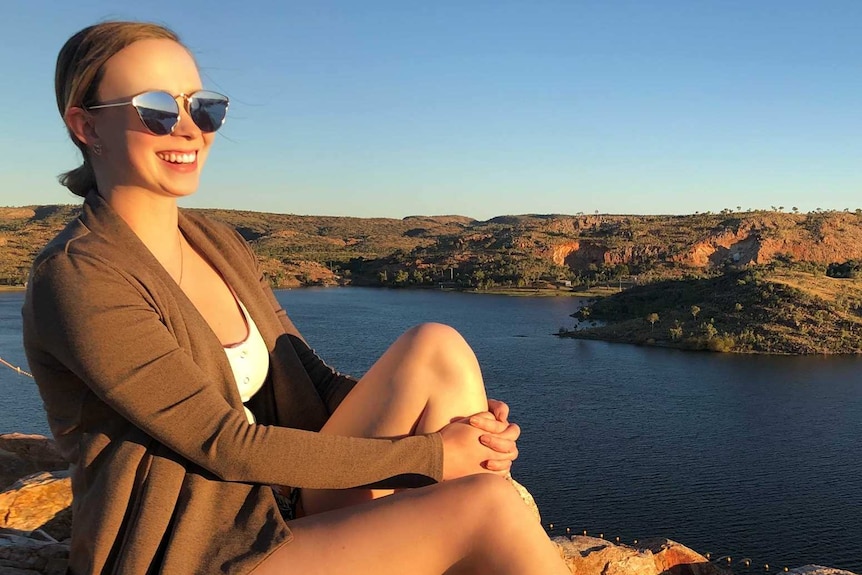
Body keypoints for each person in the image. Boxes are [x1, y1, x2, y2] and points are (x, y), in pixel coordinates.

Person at [22, 21, 570, 575]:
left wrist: (467, 439)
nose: (189, 129)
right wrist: (434, 456)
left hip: (281, 507)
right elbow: (223, 442)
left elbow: (308, 379)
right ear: (86, 126)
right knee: (488, 506)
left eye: (203, 107)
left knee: (437, 347)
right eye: (157, 108)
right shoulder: (80, 277)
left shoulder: (218, 243)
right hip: (195, 549)